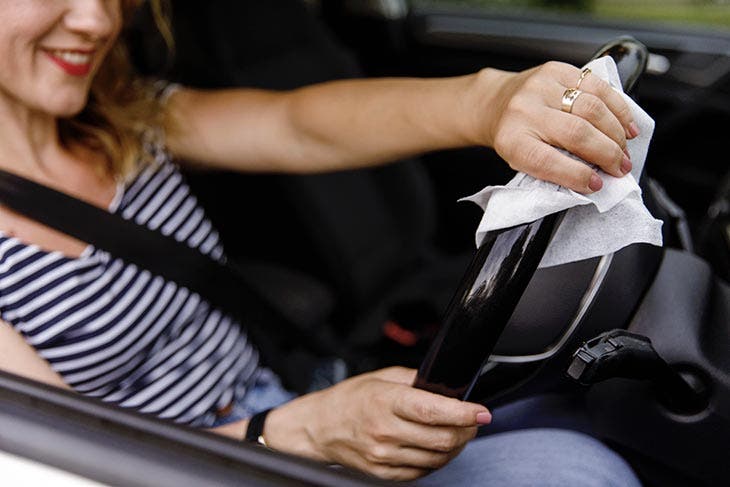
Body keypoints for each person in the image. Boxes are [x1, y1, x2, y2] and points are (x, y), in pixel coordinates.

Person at [0, 0, 641, 484]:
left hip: (279, 402)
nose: (96, 20)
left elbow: (298, 126)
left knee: (587, 424)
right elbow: (71, 455)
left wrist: (489, 99)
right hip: (191, 465)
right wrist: (307, 431)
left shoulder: (122, 121)